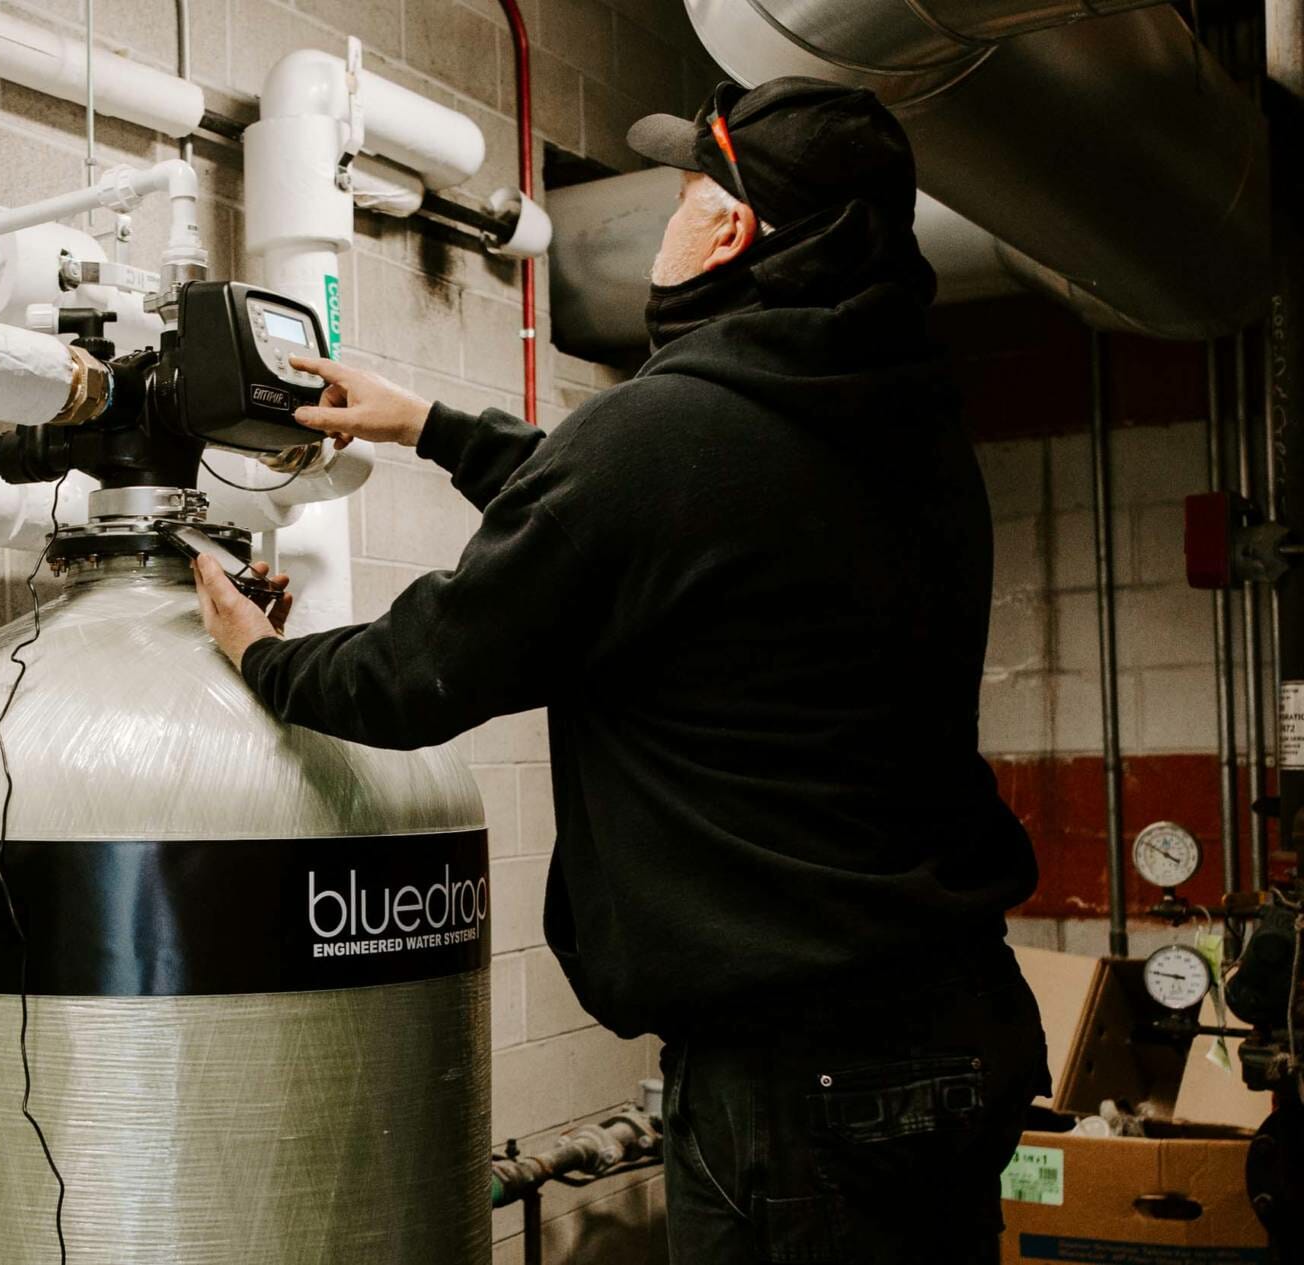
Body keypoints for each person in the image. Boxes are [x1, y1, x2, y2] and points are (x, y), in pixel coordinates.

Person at [192, 78, 1047, 1263]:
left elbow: (417, 674)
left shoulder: (668, 437)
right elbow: (654, 525)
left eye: (687, 194)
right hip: (957, 1035)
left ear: (732, 230)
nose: (667, 225)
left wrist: (265, 655)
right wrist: (429, 423)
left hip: (801, 1085)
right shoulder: (900, 432)